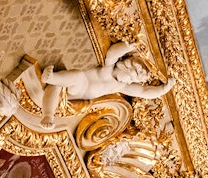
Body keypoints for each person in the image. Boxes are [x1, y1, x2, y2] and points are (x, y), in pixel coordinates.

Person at [40, 41, 175, 128]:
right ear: (124, 64)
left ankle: (48, 114)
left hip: (76, 95)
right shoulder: (108, 67)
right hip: (77, 83)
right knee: (75, 76)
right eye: (130, 72)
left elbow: (144, 92)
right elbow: (112, 53)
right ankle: (52, 83)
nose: (129, 78)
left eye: (133, 78)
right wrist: (128, 46)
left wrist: (164, 89)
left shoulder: (122, 87)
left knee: (62, 84)